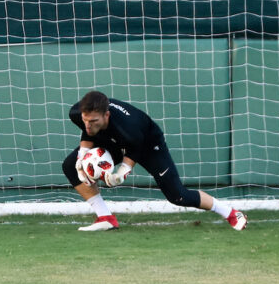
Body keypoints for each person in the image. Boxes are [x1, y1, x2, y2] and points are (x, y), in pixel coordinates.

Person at [64, 90, 247, 232]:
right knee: (70, 166)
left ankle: (230, 213)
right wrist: (82, 158)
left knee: (178, 196)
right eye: (85, 120)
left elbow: (135, 148)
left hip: (148, 145)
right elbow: (88, 131)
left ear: (107, 115)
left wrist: (120, 174)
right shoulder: (78, 113)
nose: (88, 124)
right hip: (114, 140)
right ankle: (106, 218)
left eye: (93, 121)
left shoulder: (129, 127)